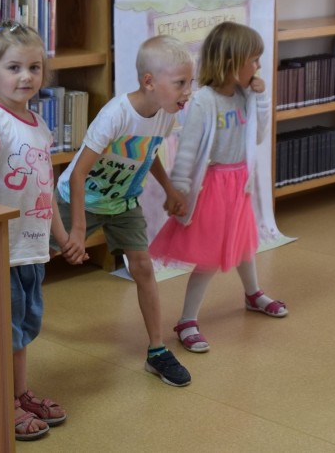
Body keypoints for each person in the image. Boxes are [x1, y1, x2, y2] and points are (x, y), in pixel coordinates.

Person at [0, 19, 87, 441]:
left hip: (32, 247)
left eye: (34, 68)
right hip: (3, 249)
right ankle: (5, 401)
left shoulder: (37, 123)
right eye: (14, 67)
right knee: (7, 330)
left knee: (23, 328)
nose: (26, 77)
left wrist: (62, 235)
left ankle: (18, 392)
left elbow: (45, 190)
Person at [52, 35, 194, 387]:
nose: (187, 91)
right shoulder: (116, 115)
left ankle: (157, 350)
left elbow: (148, 154)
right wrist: (78, 230)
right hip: (77, 199)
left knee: (143, 267)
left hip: (122, 204)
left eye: (189, 83)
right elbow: (81, 172)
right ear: (149, 82)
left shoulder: (164, 115)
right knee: (34, 257)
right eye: (180, 83)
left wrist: (170, 189)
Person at [149, 22, 288, 354]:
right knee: (210, 257)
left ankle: (252, 293)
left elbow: (256, 135)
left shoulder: (244, 96)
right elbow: (188, 151)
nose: (257, 67)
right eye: (253, 60)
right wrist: (178, 190)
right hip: (213, 187)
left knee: (243, 243)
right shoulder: (204, 101)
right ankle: (186, 320)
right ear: (231, 61)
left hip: (240, 183)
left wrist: (261, 97)